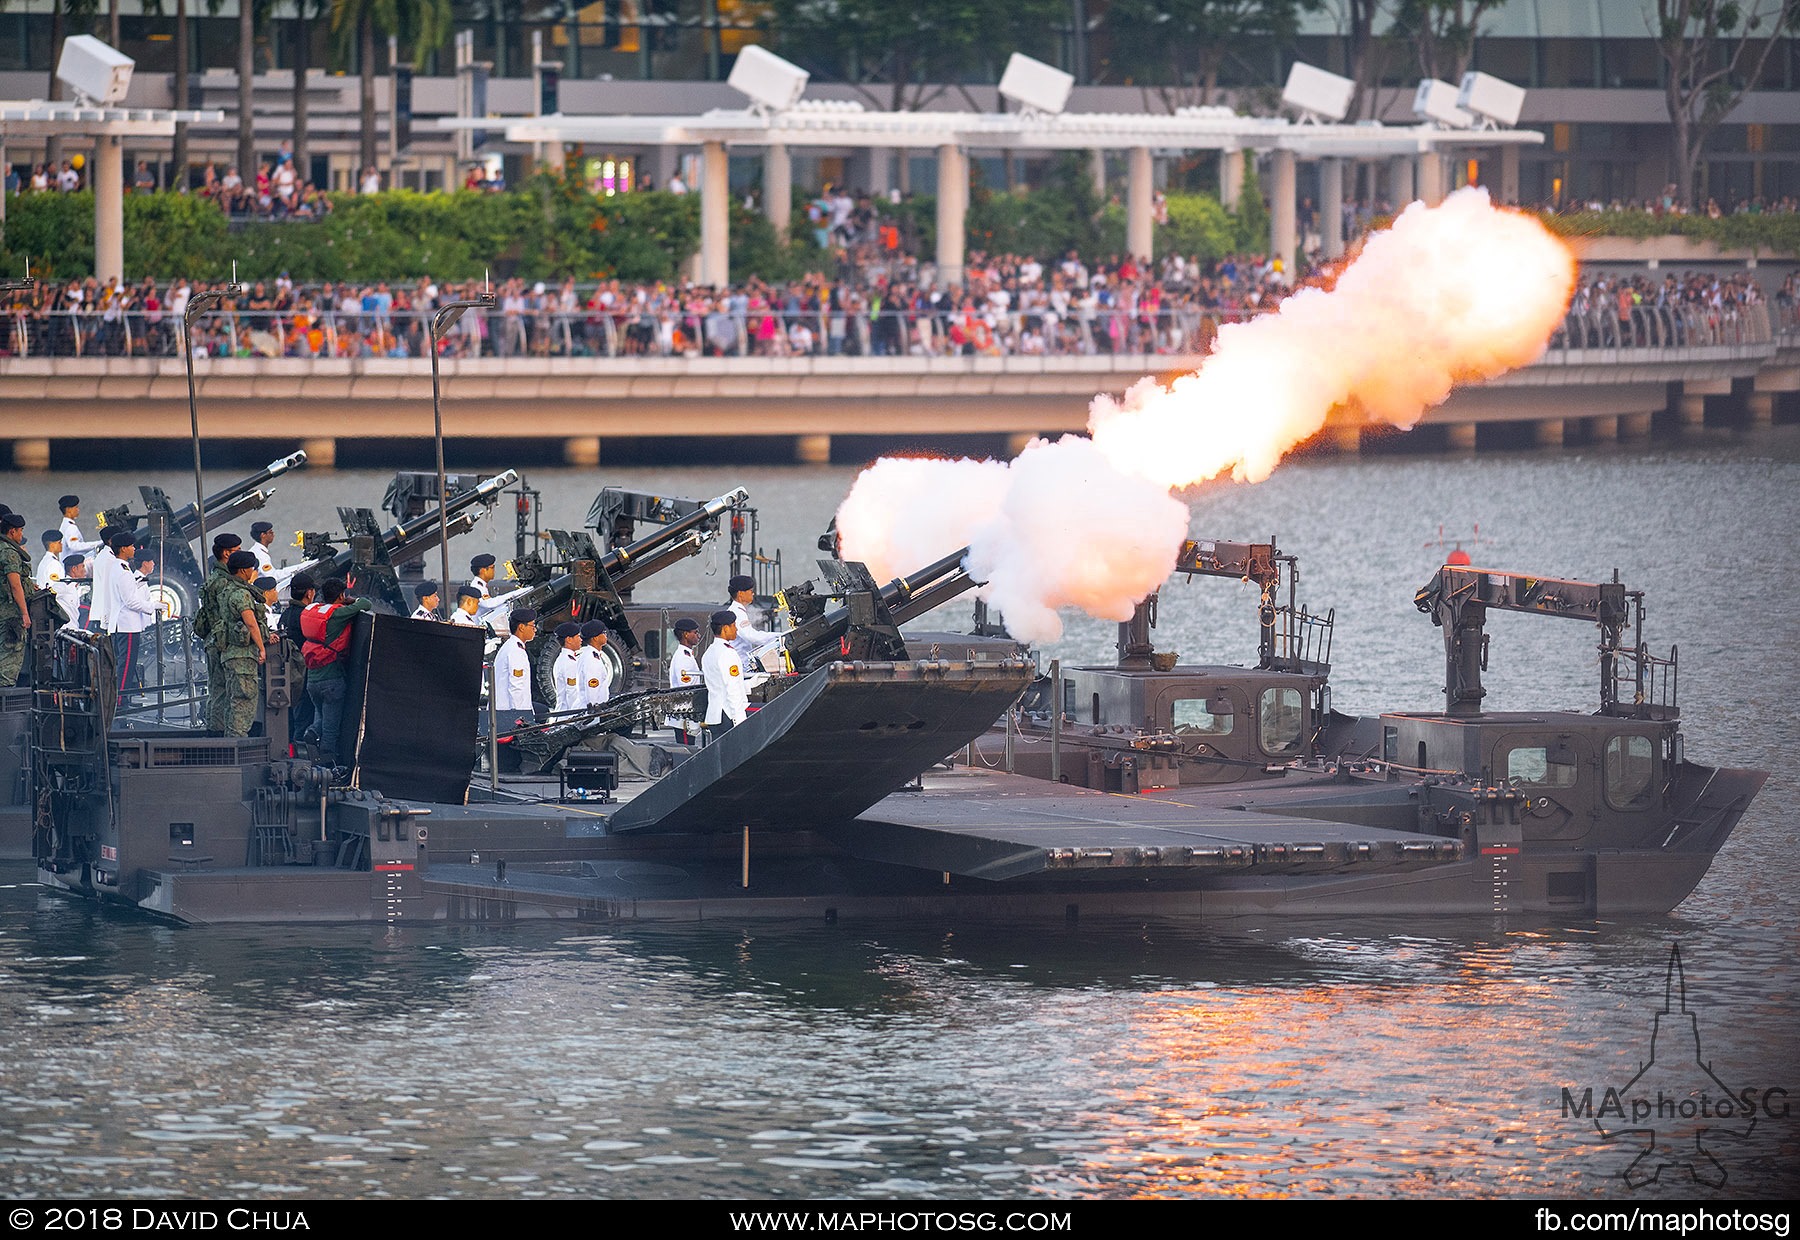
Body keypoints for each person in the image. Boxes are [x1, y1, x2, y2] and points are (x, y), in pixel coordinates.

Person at [299, 577, 372, 761]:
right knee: (330, 729)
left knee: (320, 718)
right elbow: (366, 604)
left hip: (313, 679)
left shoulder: (317, 610)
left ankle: (312, 742)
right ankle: (327, 766)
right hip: (332, 679)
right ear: (341, 595)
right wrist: (352, 600)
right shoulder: (338, 614)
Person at [210, 551, 268, 738]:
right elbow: (250, 622)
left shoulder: (227, 589)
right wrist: (261, 647)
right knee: (244, 699)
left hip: (229, 653)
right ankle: (237, 744)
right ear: (243, 570)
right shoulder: (241, 594)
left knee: (233, 699)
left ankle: (229, 741)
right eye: (251, 568)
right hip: (242, 655)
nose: (253, 571)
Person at [192, 533, 244, 732]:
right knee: (223, 690)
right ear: (226, 553)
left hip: (214, 639)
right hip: (222, 641)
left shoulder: (216, 577)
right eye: (237, 551)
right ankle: (218, 732)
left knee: (216, 689)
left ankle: (215, 730)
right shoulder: (223, 581)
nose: (240, 554)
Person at [110, 541, 160, 691]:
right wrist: (153, 606)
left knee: (126, 664)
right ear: (145, 563)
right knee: (126, 665)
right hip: (128, 624)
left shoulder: (121, 569)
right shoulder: (129, 575)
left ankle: (122, 697)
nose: (154, 564)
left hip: (126, 624)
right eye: (152, 561)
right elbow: (133, 602)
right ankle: (120, 699)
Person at [280, 572, 317, 741]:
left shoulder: (285, 615)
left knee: (287, 717)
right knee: (303, 717)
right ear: (309, 593)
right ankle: (297, 752)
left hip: (285, 672)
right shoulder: (306, 615)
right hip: (303, 672)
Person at [701, 610, 749, 740]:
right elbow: (732, 688)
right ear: (725, 628)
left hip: (714, 715)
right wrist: (740, 720)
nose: (736, 629)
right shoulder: (728, 653)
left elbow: (718, 683)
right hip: (727, 714)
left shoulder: (708, 653)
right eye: (733, 625)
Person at [0, 515, 33, 687]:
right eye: (20, 531)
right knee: (9, 661)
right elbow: (15, 585)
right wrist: (25, 613)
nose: (21, 535)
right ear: (12, 531)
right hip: (10, 614)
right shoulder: (9, 552)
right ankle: (6, 709)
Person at [491, 606, 537, 722]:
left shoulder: (511, 647)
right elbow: (516, 687)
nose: (535, 630)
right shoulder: (515, 651)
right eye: (532, 625)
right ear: (521, 627)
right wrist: (521, 718)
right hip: (510, 714)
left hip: (505, 712)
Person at [726, 574, 780, 661]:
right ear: (740, 593)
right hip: (740, 661)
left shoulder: (738, 610)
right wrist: (780, 636)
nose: (753, 593)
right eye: (751, 591)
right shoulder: (737, 613)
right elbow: (752, 637)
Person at [551, 621, 585, 713]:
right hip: (567, 714)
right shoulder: (568, 662)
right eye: (578, 636)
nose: (581, 640)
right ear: (569, 640)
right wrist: (577, 714)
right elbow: (572, 693)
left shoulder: (565, 659)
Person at [577, 620, 612, 708]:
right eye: (603, 633)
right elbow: (592, 685)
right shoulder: (591, 658)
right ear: (595, 638)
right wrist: (594, 705)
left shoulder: (591, 654)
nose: (605, 635)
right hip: (594, 710)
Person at [668, 617, 701, 689]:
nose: (699, 636)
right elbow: (687, 689)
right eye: (695, 632)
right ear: (686, 634)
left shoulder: (686, 655)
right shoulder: (683, 658)